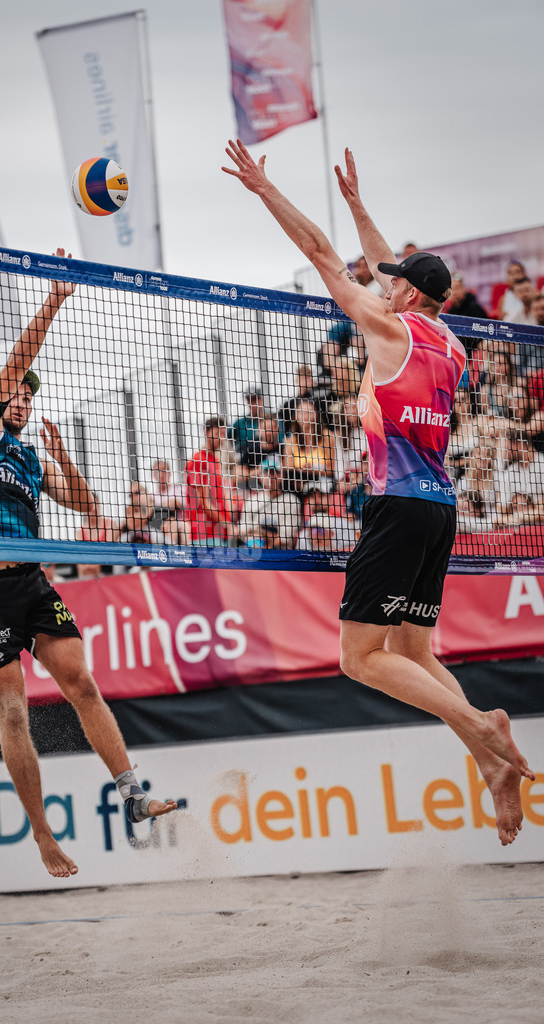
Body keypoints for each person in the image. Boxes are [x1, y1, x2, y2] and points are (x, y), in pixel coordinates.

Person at [223, 139, 534, 845]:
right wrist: (361, 205)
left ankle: (481, 729)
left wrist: (265, 192)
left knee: (357, 658)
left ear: (405, 294)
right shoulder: (450, 342)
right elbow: (390, 265)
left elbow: (321, 252)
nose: (380, 277)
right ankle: (488, 765)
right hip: (438, 510)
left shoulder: (384, 326)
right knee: (416, 653)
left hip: (394, 509)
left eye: (391, 279)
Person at [0, 251, 176, 878]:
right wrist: (53, 302)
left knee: (81, 682)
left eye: (29, 397)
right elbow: (17, 364)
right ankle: (44, 836)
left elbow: (87, 505)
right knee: (15, 711)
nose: (22, 400)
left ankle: (133, 796)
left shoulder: (28, 459)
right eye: (17, 394)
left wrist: (64, 458)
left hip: (28, 580)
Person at [185, 415, 239, 544]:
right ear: (207, 432)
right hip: (204, 535)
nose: (221, 438)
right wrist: (228, 524)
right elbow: (204, 502)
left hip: (220, 533)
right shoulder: (197, 460)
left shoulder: (215, 461)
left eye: (223, 434)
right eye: (217, 434)